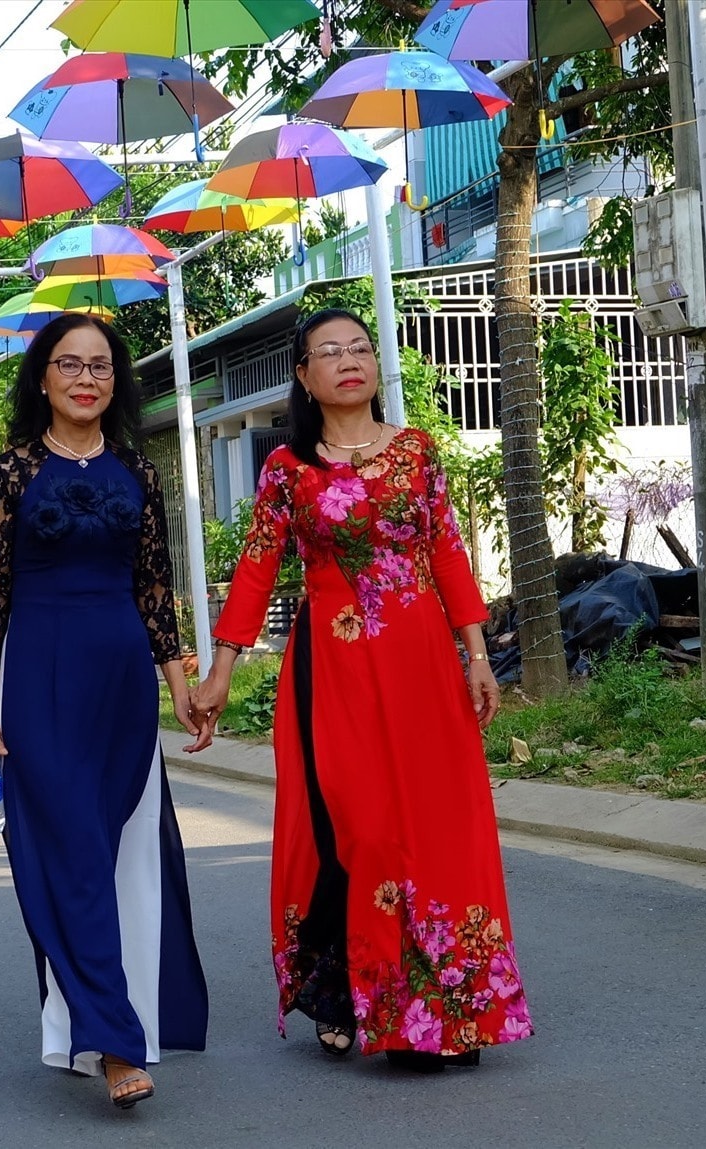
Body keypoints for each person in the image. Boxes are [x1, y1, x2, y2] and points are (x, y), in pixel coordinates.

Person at [191, 308, 529, 1072]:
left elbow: (447, 551)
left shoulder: (416, 453)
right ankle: (375, 1000)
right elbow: (255, 569)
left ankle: (451, 1005)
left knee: (441, 829)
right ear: (305, 376)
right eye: (328, 352)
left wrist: (477, 652)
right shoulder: (287, 468)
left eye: (360, 348)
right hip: (333, 670)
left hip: (422, 666)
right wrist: (221, 669)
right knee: (365, 830)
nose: (349, 361)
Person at [0, 314, 208, 1109]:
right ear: (42, 379)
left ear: (116, 381)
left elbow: (154, 589)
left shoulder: (138, 470)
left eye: (100, 366)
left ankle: (105, 1015)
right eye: (68, 364)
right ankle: (111, 1038)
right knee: (68, 845)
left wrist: (180, 684)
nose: (85, 378)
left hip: (122, 679)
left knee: (106, 847)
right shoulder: (9, 473)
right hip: (39, 678)